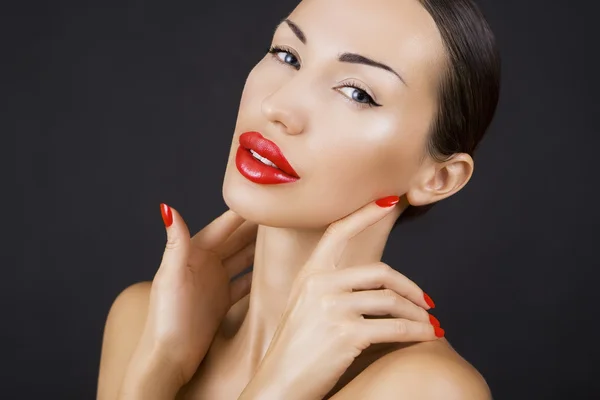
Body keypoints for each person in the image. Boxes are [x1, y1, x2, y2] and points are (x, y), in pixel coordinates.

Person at [97, 0, 500, 398]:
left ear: (439, 177)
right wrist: (158, 369)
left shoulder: (427, 389)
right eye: (287, 55)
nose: (278, 105)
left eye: (357, 93)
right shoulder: (145, 322)